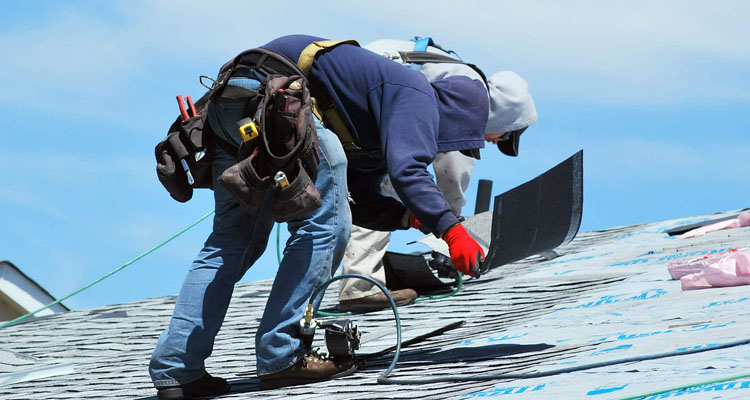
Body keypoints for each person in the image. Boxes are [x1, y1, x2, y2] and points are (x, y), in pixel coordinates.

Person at [149, 34, 495, 399]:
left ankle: (177, 370)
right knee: (325, 224)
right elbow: (408, 171)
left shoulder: (372, 114)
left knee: (232, 241)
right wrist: (451, 230)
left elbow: (356, 196)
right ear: (455, 120)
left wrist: (409, 218)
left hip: (233, 101)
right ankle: (282, 354)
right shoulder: (417, 93)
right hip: (278, 98)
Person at [338, 38, 539, 313]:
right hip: (374, 99)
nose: (495, 141)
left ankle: (356, 282)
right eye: (504, 135)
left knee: (357, 192)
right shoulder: (470, 93)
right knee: (387, 187)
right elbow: (450, 171)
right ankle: (360, 288)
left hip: (355, 92)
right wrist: (452, 232)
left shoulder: (458, 72)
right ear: (505, 115)